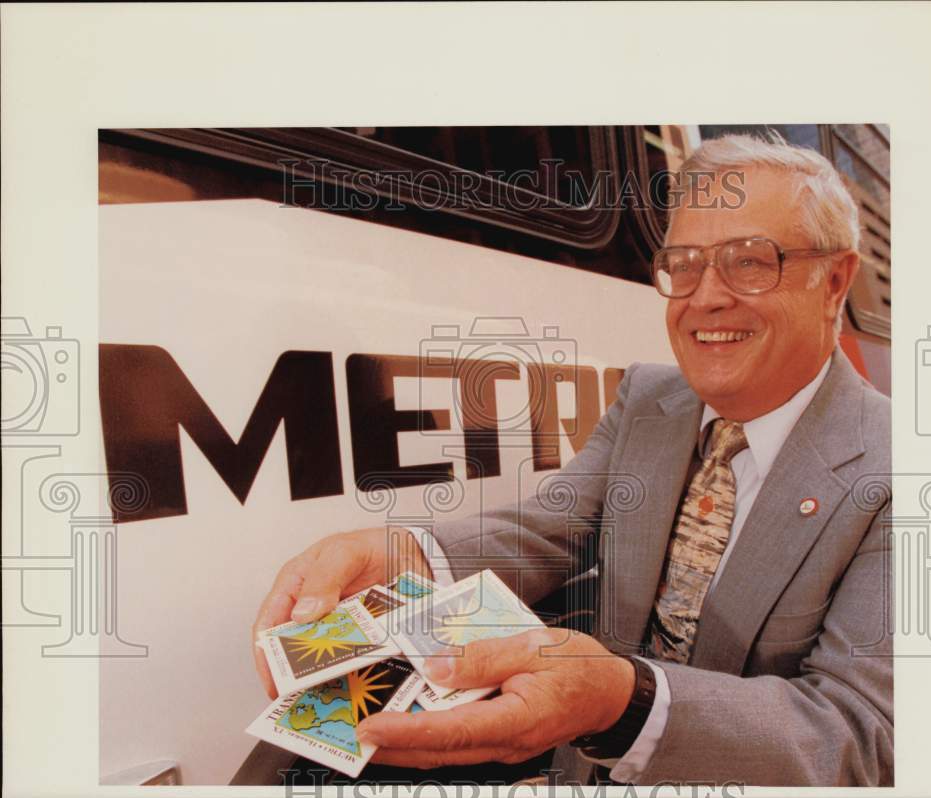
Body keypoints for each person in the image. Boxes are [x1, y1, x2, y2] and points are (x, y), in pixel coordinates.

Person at [252, 134, 892, 786]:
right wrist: (403, 555)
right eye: (686, 263)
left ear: (834, 280)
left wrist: (623, 701)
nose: (706, 297)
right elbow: (549, 525)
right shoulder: (649, 398)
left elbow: (857, 732)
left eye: (750, 263)